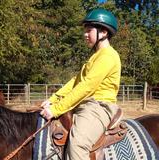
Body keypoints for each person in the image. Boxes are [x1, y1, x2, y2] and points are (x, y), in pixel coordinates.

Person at [40, 8, 122, 160]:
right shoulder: (94, 57)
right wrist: (53, 99)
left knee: (77, 144)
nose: (85, 34)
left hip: (99, 107)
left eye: (89, 30)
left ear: (103, 32)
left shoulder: (109, 56)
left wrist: (56, 109)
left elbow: (87, 86)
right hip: (85, 105)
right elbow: (75, 82)